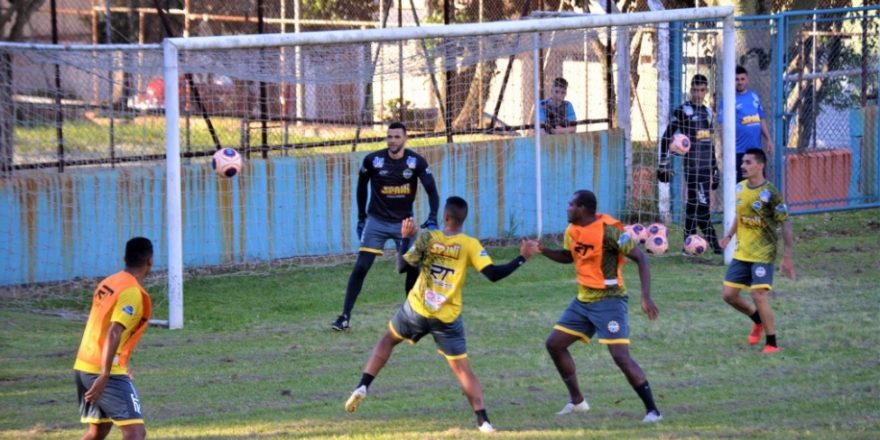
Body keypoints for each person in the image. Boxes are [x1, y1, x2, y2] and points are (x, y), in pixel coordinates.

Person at [343, 196, 539, 433]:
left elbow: (401, 267)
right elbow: (493, 274)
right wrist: (522, 258)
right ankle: (484, 422)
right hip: (446, 318)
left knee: (388, 339)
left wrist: (405, 239)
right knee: (463, 370)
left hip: (416, 309)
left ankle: (364, 385)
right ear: (462, 219)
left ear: (445, 217)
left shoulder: (428, 237)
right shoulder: (470, 244)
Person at [538, 190, 663, 423]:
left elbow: (641, 258)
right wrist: (543, 250)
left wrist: (645, 297)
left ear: (583, 208)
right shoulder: (572, 230)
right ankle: (577, 402)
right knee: (554, 344)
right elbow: (568, 256)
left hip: (610, 300)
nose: (567, 208)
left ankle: (653, 411)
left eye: (571, 204)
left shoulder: (611, 231)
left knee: (620, 356)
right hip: (583, 300)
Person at [332, 121, 440, 331]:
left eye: (397, 137)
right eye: (389, 137)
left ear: (405, 138)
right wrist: (362, 217)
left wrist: (433, 216)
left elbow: (432, 191)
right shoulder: (373, 160)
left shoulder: (415, 162)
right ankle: (344, 317)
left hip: (404, 224)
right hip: (377, 221)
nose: (392, 141)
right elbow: (361, 187)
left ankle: (412, 316)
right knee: (361, 266)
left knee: (413, 267)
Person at [73, 237, 154, 440]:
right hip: (101, 371)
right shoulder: (132, 292)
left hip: (84, 365)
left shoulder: (110, 281)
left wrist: (121, 362)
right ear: (150, 261)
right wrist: (105, 374)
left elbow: (100, 326)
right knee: (136, 433)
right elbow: (113, 331)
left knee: (97, 431)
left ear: (124, 258)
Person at [719, 148, 795, 354]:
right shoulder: (740, 188)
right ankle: (757, 320)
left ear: (760, 165)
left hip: (763, 254)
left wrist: (787, 256)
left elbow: (785, 223)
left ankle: (772, 343)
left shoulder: (771, 193)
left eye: (748, 162)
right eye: (743, 162)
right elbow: (740, 216)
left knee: (758, 295)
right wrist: (728, 236)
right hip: (742, 253)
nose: (743, 166)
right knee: (729, 295)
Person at [658, 74, 723, 254]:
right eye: (695, 90)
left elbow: (709, 143)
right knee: (701, 209)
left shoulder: (708, 113)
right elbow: (666, 138)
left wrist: (715, 168)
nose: (698, 94)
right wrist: (663, 162)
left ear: (706, 91)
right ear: (690, 89)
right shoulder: (683, 111)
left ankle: (689, 245)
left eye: (702, 91)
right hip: (692, 167)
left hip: (705, 167)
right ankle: (715, 247)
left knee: (694, 205)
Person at [718, 66, 774, 182]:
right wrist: (724, 147)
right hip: (739, 152)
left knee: (758, 185)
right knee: (740, 187)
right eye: (737, 79)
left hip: (756, 151)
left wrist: (768, 139)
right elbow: (722, 125)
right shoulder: (728, 100)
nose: (740, 82)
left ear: (747, 80)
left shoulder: (754, 97)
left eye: (742, 79)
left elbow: (761, 119)